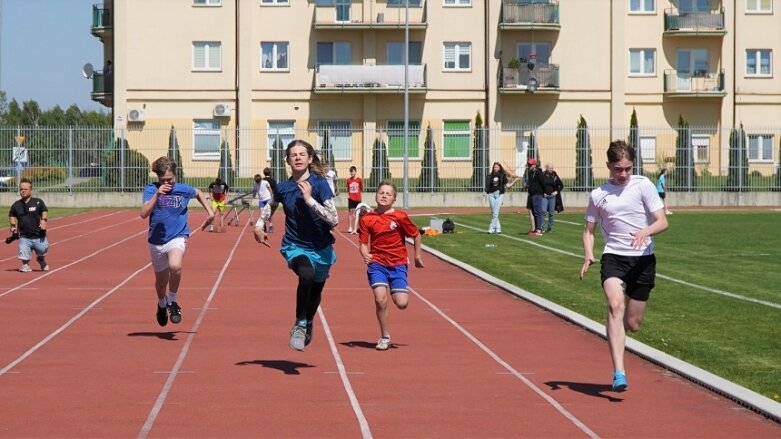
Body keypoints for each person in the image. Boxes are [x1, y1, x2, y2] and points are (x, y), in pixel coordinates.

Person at [579, 139, 669, 392]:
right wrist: (588, 254)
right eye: (618, 169)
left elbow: (662, 222)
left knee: (633, 324)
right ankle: (619, 371)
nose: (623, 174)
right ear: (609, 165)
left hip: (643, 261)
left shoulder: (643, 185)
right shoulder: (598, 195)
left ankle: (623, 316)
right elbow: (589, 230)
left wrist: (645, 231)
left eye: (628, 168)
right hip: (614, 258)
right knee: (614, 305)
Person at [254, 139, 339, 351]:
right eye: (294, 155)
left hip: (322, 248)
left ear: (310, 159)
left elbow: (333, 219)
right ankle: (300, 324)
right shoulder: (283, 187)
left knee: (316, 291)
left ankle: (308, 321)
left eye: (302, 154)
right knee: (306, 275)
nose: (298, 157)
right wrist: (259, 225)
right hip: (295, 245)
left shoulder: (320, 185)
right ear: (288, 160)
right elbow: (271, 206)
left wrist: (309, 199)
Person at [140, 157, 215, 327]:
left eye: (170, 180)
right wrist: (157, 195)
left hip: (178, 236)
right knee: (160, 282)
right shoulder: (152, 189)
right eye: (163, 180)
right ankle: (161, 304)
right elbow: (143, 213)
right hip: (156, 241)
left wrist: (210, 212)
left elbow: (198, 193)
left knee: (175, 266)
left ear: (175, 176)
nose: (167, 183)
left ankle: (172, 301)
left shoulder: (182, 189)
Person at [358, 180, 424, 351]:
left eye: (388, 194)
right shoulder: (367, 219)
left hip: (398, 264)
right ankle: (384, 336)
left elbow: (416, 235)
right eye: (382, 193)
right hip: (377, 263)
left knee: (402, 303)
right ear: (376, 195)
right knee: (380, 299)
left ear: (394, 199)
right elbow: (363, 244)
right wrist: (365, 254)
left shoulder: (400, 217)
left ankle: (397, 292)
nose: (384, 196)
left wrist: (417, 257)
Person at [8, 178, 49, 273]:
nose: (23, 191)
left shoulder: (38, 202)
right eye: (21, 189)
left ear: (30, 190)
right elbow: (12, 215)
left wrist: (43, 220)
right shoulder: (16, 205)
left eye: (25, 189)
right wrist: (13, 226)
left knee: (42, 249)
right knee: (23, 253)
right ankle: (25, 264)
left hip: (39, 235)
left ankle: (41, 259)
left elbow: (44, 210)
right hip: (24, 236)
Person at [484, 162, 517, 234]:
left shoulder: (502, 175)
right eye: (494, 167)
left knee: (495, 213)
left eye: (497, 167)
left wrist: (515, 180)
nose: (495, 168)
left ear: (500, 168)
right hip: (491, 195)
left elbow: (508, 186)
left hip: (499, 195)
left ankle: (491, 229)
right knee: (494, 213)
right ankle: (498, 228)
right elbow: (487, 185)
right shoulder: (490, 176)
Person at [525, 158, 546, 236]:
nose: (529, 166)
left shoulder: (538, 172)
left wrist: (544, 192)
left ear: (535, 165)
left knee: (538, 212)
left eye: (530, 164)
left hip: (537, 194)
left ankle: (539, 230)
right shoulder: (531, 173)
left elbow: (543, 182)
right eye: (528, 164)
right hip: (532, 194)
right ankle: (536, 229)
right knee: (534, 212)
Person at [541, 162, 564, 233]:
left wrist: (556, 192)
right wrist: (542, 192)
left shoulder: (554, 175)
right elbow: (539, 185)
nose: (551, 169)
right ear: (546, 168)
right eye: (550, 168)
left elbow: (561, 185)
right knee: (543, 212)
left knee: (551, 213)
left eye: (552, 168)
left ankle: (549, 228)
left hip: (552, 196)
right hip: (544, 196)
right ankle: (541, 227)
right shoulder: (542, 175)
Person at [346, 165, 363, 234]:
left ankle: (358, 227)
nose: (352, 173)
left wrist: (359, 194)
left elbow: (361, 188)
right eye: (351, 172)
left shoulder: (359, 180)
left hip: (358, 198)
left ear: (355, 172)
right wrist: (348, 195)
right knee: (350, 212)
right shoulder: (348, 180)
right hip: (351, 198)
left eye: (353, 172)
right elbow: (348, 189)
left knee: (358, 213)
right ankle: (350, 227)